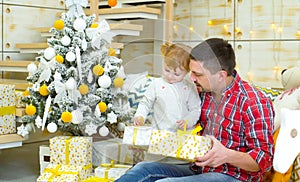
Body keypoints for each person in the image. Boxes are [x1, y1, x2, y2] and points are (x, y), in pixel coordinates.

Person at [116, 38, 274, 182]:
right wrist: (142, 135)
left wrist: (226, 155)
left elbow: (264, 160)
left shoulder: (253, 102)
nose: (191, 78)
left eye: (198, 74)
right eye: (191, 72)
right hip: (198, 169)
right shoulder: (198, 92)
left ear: (220, 75)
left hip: (233, 176)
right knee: (141, 170)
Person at [133, 43, 201, 132]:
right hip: (159, 133)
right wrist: (140, 116)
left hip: (183, 135)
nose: (170, 76)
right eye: (167, 70)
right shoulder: (156, 84)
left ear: (187, 71)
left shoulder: (189, 87)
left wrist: (188, 121)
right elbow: (145, 103)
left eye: (177, 74)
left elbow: (195, 109)